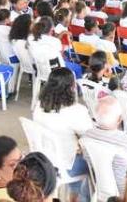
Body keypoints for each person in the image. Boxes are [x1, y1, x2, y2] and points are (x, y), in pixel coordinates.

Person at [33, 69, 92, 201]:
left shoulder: (39, 105)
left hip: (44, 160)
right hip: (65, 165)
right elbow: (90, 135)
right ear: (72, 87)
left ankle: (73, 194)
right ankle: (79, 197)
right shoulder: (75, 111)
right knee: (94, 162)